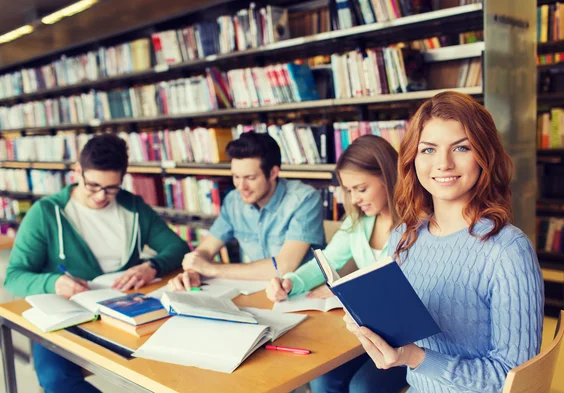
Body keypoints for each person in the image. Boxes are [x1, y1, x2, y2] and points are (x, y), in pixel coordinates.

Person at [343, 91, 544, 392]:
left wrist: (414, 356)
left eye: (461, 147)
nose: (443, 163)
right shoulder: (404, 237)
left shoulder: (508, 250)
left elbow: (512, 379)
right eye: (428, 150)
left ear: (484, 156)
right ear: (413, 158)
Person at [4, 133, 189, 393]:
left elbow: (178, 248)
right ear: (77, 171)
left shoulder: (133, 207)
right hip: (68, 318)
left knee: (181, 365)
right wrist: (53, 282)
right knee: (56, 380)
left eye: (111, 188)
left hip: (129, 313)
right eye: (93, 186)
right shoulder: (46, 213)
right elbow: (14, 276)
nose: (102, 196)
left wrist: (153, 266)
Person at [266, 135, 408, 393]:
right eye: (349, 190)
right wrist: (290, 282)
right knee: (322, 380)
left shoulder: (417, 225)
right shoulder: (357, 223)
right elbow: (326, 261)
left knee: (362, 387)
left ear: (388, 177)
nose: (354, 199)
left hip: (408, 340)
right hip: (367, 334)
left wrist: (350, 293)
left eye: (361, 188)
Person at [168, 131, 324, 290]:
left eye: (250, 178)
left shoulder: (305, 199)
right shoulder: (233, 200)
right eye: (236, 177)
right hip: (258, 290)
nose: (241, 187)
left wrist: (212, 269)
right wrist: (193, 270)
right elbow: (206, 249)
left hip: (304, 292)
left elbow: (284, 267)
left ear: (273, 173)